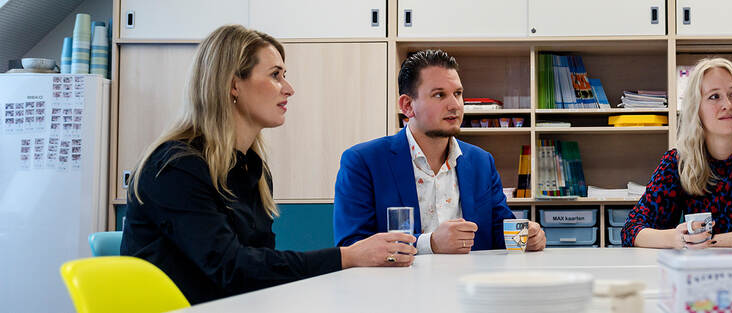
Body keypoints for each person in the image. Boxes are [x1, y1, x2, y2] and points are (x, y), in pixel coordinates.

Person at [121, 25, 416, 305]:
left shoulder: (251, 170)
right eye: (276, 75)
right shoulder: (176, 167)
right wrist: (346, 257)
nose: (288, 89)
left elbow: (260, 266)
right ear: (234, 84)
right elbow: (231, 269)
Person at [333, 49, 546, 254]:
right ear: (407, 106)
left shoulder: (481, 162)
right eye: (439, 95)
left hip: (470, 286)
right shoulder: (363, 162)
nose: (455, 105)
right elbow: (353, 246)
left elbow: (498, 233)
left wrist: (525, 236)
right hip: (398, 288)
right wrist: (431, 243)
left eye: (458, 94)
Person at [623, 58, 732, 249]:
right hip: (699, 272)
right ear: (696, 108)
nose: (728, 105)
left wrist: (708, 242)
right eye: (714, 97)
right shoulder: (677, 162)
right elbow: (632, 230)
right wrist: (678, 238)